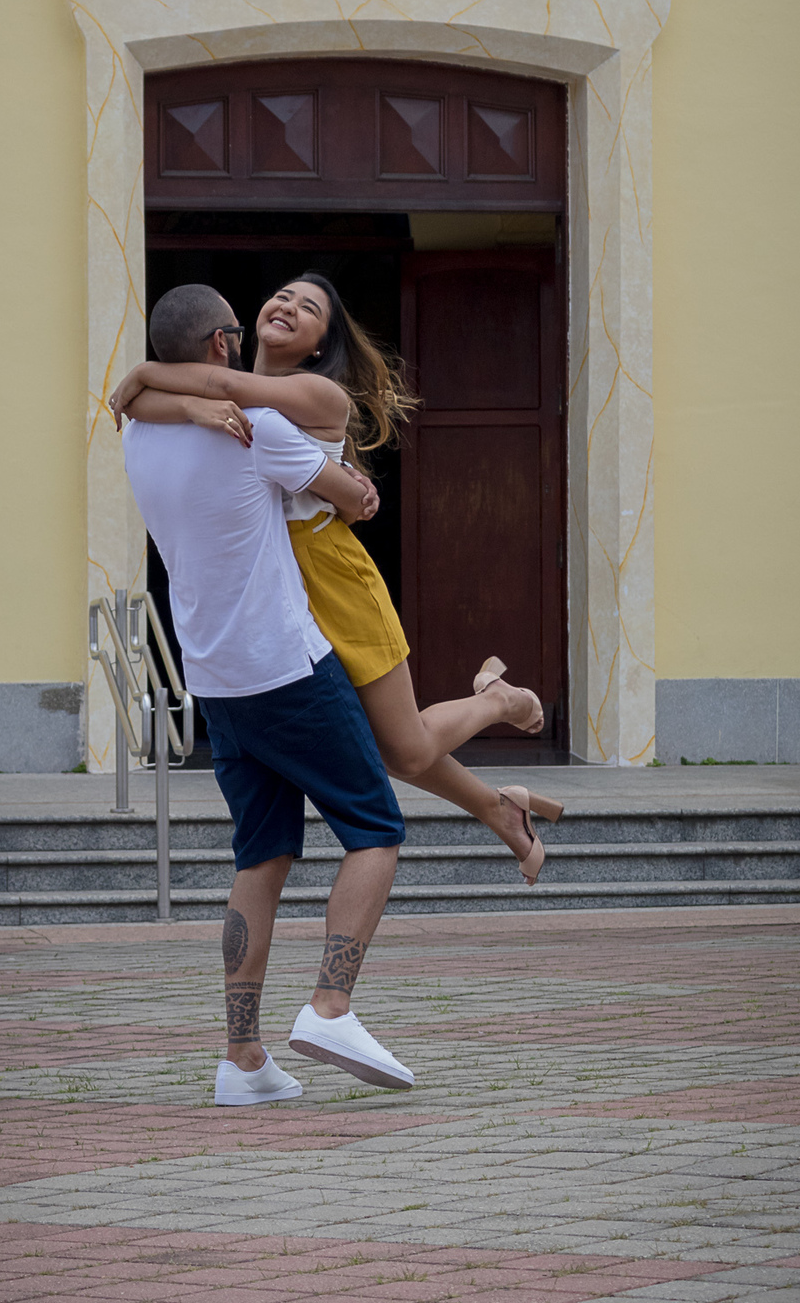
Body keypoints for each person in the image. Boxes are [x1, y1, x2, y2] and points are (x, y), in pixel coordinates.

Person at [111, 272, 563, 885]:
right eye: (283, 295)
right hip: (271, 591)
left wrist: (145, 376)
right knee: (376, 747)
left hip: (331, 576)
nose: (290, 306)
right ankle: (499, 807)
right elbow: (146, 405)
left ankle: (498, 701)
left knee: (401, 749)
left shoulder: (312, 397)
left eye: (310, 308)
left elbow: (203, 388)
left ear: (322, 344)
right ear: (234, 331)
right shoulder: (215, 397)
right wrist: (173, 397)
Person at [122, 282, 415, 1107]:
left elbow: (152, 393)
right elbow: (352, 497)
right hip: (285, 665)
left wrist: (142, 382)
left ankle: (242, 1060)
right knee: (375, 829)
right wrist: (355, 489)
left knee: (262, 855)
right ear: (222, 344)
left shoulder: (141, 429)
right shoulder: (263, 430)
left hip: (214, 678)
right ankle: (329, 1006)